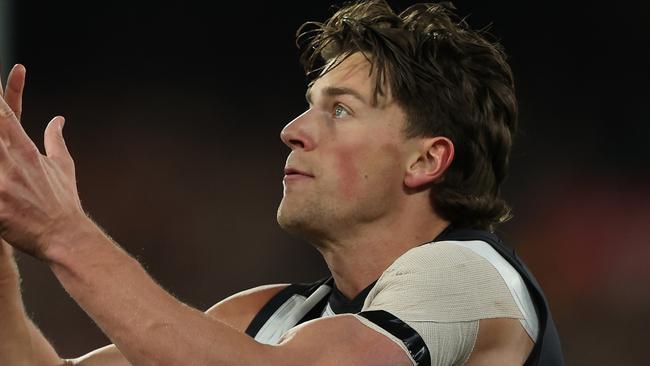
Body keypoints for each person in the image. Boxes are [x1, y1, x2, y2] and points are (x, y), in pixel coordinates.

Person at [0, 1, 563, 365]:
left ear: (426, 160)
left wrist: (63, 233)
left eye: (339, 111)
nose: (293, 131)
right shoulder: (271, 317)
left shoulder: (469, 273)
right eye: (307, 108)